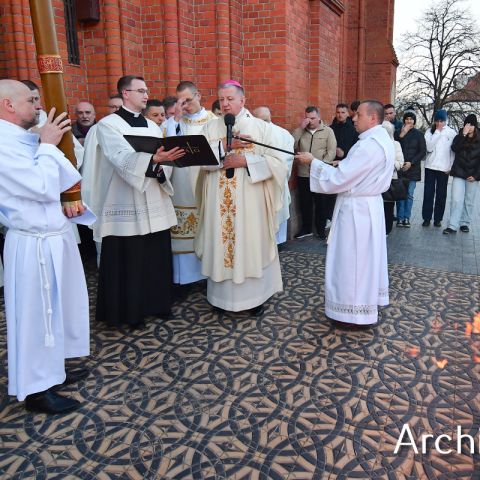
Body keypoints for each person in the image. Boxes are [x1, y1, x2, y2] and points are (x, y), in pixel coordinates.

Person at [0, 79, 90, 413]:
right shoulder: (2, 143)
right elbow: (39, 185)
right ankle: (37, 389)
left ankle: (54, 371)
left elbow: (65, 179)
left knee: (59, 308)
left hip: (54, 235)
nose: (38, 106)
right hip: (31, 243)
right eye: (31, 100)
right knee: (36, 317)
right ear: (8, 104)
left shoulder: (23, 138)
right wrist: (49, 145)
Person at [81, 75, 185, 328]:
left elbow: (163, 158)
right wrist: (153, 160)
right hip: (124, 200)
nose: (146, 95)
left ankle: (157, 304)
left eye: (146, 90)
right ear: (125, 94)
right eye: (140, 91)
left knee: (155, 256)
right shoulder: (108, 125)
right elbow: (119, 157)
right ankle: (130, 312)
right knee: (130, 259)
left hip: (154, 197)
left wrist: (162, 164)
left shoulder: (152, 126)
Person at [295, 100, 394, 326]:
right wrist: (342, 165)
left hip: (357, 211)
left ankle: (352, 314)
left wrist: (313, 162)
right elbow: (356, 171)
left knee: (352, 261)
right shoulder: (380, 139)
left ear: (373, 118)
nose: (353, 118)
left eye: (358, 114)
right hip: (368, 205)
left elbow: (340, 180)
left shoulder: (369, 146)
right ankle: (362, 306)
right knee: (365, 260)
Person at [195, 80, 288, 315]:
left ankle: (254, 299)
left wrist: (246, 160)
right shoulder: (209, 129)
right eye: (221, 99)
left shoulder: (262, 128)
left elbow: (279, 164)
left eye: (230, 99)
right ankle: (221, 299)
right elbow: (199, 163)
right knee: (221, 243)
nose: (225, 104)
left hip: (250, 202)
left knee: (249, 243)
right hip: (218, 201)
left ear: (242, 100)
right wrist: (222, 148)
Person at [166, 81, 217, 285]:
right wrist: (175, 120)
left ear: (199, 95)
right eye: (180, 102)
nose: (185, 106)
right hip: (180, 184)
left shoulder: (214, 121)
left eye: (187, 100)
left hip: (205, 180)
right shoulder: (175, 122)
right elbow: (168, 146)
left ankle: (208, 274)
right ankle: (184, 278)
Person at [292, 106, 337, 240]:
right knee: (305, 202)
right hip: (303, 173)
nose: (310, 121)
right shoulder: (301, 131)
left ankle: (320, 229)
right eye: (307, 118)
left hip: (320, 173)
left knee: (321, 203)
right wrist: (300, 128)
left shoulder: (328, 131)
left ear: (318, 117)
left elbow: (331, 151)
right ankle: (306, 228)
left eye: (312, 118)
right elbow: (291, 144)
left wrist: (321, 165)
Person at [252, 105, 294, 245]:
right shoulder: (250, 133)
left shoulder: (283, 134)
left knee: (277, 211)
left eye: (264, 120)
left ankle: (277, 243)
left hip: (273, 181)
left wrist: (263, 167)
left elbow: (287, 159)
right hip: (257, 182)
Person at [443, 114, 480, 235]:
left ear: (475, 126)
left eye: (472, 125)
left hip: (473, 176)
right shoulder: (459, 136)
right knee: (456, 199)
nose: (469, 127)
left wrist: (476, 175)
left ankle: (465, 223)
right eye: (467, 124)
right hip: (459, 172)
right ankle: (452, 225)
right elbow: (454, 148)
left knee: (469, 200)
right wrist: (463, 135)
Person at [422, 109, 456, 227]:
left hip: (444, 168)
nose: (439, 123)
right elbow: (429, 148)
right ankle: (426, 218)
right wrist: (437, 132)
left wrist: (451, 166)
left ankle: (438, 219)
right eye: (437, 120)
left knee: (441, 194)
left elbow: (453, 152)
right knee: (428, 194)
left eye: (442, 120)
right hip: (430, 167)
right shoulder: (429, 131)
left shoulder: (451, 133)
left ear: (445, 120)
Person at [394, 111, 426, 228]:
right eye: (407, 119)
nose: (409, 121)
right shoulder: (398, 133)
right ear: (404, 120)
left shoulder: (419, 134)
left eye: (411, 119)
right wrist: (402, 134)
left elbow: (422, 151)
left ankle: (406, 217)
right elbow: (394, 147)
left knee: (409, 194)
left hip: (413, 169)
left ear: (414, 121)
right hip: (400, 168)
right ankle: (400, 218)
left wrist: (411, 163)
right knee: (400, 194)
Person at [382, 121, 404, 235]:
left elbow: (400, 163)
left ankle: (387, 230)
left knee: (388, 207)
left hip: (390, 180)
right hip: (375, 181)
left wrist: (388, 163)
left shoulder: (395, 144)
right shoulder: (375, 144)